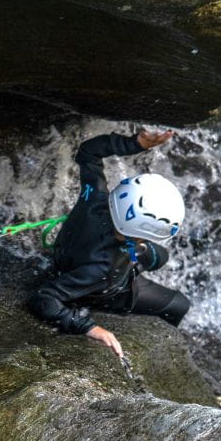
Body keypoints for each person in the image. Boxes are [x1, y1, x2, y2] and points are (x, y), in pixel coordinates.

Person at [29, 129, 190, 359]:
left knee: (156, 257)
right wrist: (88, 327)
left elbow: (89, 152)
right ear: (138, 232)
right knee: (178, 302)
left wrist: (135, 143)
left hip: (72, 255)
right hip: (104, 289)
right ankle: (168, 355)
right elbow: (43, 297)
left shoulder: (94, 197)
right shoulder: (101, 267)